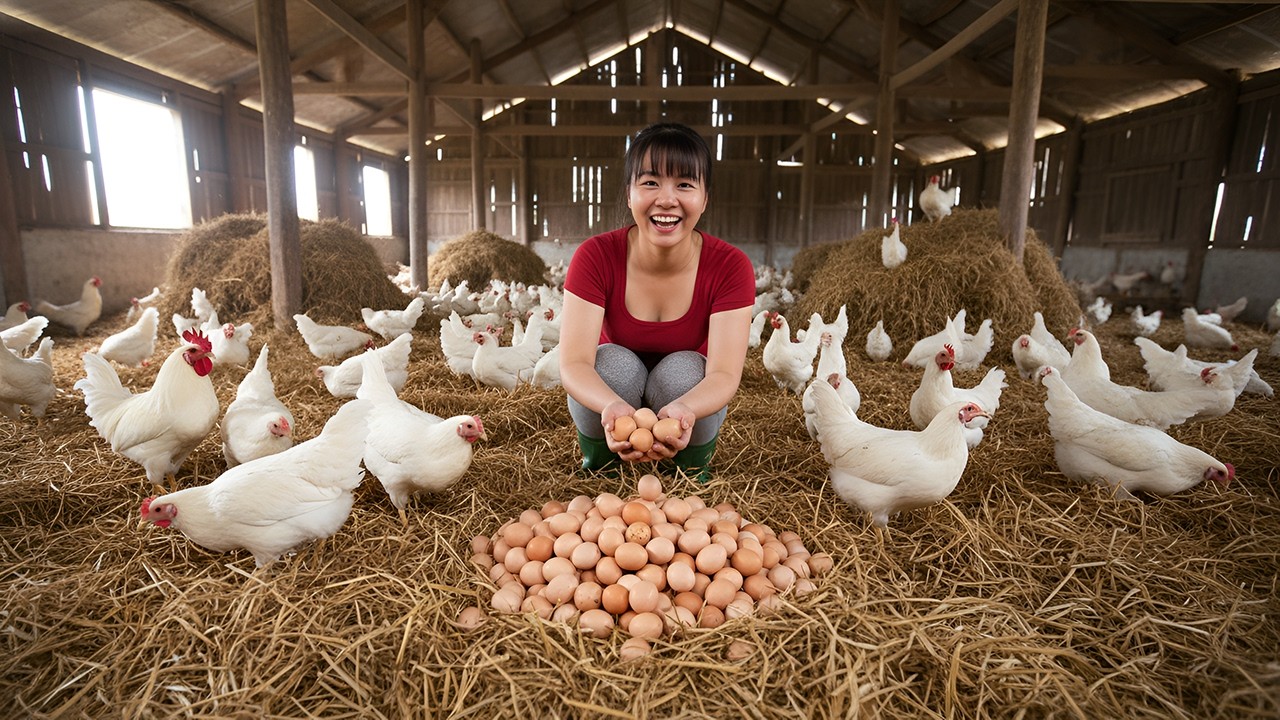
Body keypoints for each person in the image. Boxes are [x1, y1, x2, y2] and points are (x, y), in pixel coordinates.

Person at [559, 122, 756, 480]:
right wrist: (612, 409)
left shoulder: (730, 266)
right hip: (618, 394)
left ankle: (689, 473)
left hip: (681, 397)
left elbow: (725, 374)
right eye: (650, 183)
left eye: (684, 184)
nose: (666, 199)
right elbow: (573, 363)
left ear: (705, 197)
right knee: (609, 363)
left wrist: (684, 410)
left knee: (689, 371)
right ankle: (602, 470)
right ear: (629, 193)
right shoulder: (596, 256)